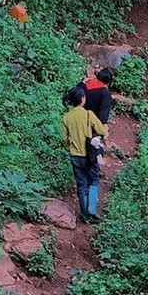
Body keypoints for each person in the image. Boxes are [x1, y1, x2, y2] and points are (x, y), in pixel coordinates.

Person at [61, 84, 107, 223]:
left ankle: (85, 215)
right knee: (94, 180)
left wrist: (70, 146)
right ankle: (92, 209)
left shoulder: (66, 118)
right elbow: (102, 131)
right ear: (82, 99)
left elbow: (63, 139)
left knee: (81, 184)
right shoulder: (88, 114)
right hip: (89, 154)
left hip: (75, 155)